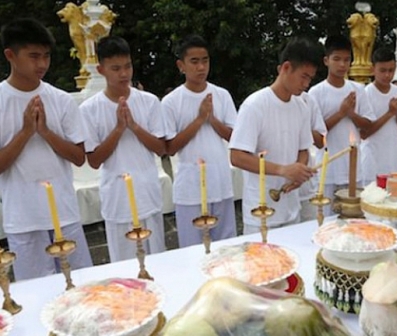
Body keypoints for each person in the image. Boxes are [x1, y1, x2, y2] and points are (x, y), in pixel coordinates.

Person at [0, 18, 92, 280]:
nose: (42, 64)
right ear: (10, 55)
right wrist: (26, 131)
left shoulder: (60, 100)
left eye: (46, 56)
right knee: (35, 292)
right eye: (33, 56)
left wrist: (46, 133)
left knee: (79, 285)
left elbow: (78, 156)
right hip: (24, 217)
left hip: (64, 213)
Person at [80, 36, 166, 262]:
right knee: (125, 266)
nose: (123, 74)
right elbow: (95, 160)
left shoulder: (149, 102)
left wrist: (135, 126)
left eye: (127, 66)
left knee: (158, 260)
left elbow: (161, 148)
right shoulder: (89, 109)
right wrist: (118, 128)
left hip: (147, 191)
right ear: (101, 69)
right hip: (118, 197)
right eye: (115, 68)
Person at [229, 37, 321, 234]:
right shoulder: (255, 105)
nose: (306, 84)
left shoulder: (302, 107)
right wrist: (283, 170)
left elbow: (303, 148)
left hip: (290, 208)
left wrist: (300, 171)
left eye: (310, 79)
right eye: (303, 76)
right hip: (261, 212)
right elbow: (237, 156)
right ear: (286, 68)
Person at [161, 35, 237, 246]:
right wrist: (199, 119)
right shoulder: (171, 102)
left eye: (205, 60)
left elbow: (234, 136)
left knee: (226, 245)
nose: (201, 66)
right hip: (190, 188)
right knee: (192, 248)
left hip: (220, 181)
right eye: (194, 61)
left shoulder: (221, 95)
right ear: (181, 65)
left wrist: (212, 119)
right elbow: (170, 147)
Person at [308, 35, 374, 212]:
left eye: (346, 60)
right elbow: (316, 136)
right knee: (326, 216)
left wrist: (351, 113)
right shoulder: (316, 93)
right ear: (326, 60)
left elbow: (368, 125)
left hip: (353, 168)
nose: (342, 65)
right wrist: (341, 113)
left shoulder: (358, 90)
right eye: (337, 59)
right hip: (328, 168)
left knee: (353, 214)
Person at [360, 47, 397, 185]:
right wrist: (390, 113)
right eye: (382, 70)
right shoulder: (366, 94)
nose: (387, 75)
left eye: (391, 70)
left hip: (392, 157)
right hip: (372, 159)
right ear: (372, 69)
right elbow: (364, 133)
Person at [297, 92, 326, 222]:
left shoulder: (308, 100)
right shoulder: (264, 102)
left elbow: (321, 141)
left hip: (306, 185)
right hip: (280, 184)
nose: (305, 83)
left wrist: (302, 124)